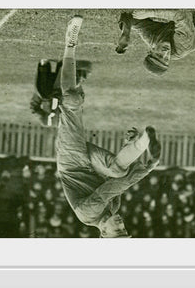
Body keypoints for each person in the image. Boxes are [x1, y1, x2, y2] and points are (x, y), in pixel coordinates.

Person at [54, 15, 162, 238]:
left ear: (103, 232)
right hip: (94, 167)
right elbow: (115, 179)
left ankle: (70, 44)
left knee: (72, 101)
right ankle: (143, 141)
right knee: (117, 169)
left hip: (71, 163)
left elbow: (113, 188)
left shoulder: (89, 215)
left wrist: (148, 168)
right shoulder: (114, 209)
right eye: (125, 229)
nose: (122, 225)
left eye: (118, 230)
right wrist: (128, 147)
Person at [30, 58, 92, 127]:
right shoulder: (70, 122)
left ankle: (44, 64)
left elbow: (34, 108)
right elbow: (76, 107)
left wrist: (39, 96)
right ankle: (66, 65)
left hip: (49, 90)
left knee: (44, 93)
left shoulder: (47, 122)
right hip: (64, 91)